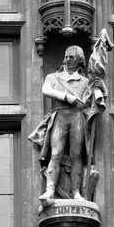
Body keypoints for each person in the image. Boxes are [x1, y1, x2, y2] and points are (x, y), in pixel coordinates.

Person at [38, 45, 90, 201]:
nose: (67, 59)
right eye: (66, 56)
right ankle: (50, 189)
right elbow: (45, 90)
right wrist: (66, 97)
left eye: (71, 57)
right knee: (56, 153)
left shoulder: (85, 81)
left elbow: (89, 103)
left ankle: (76, 191)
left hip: (77, 118)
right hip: (60, 116)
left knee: (76, 155)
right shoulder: (53, 77)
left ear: (79, 59)